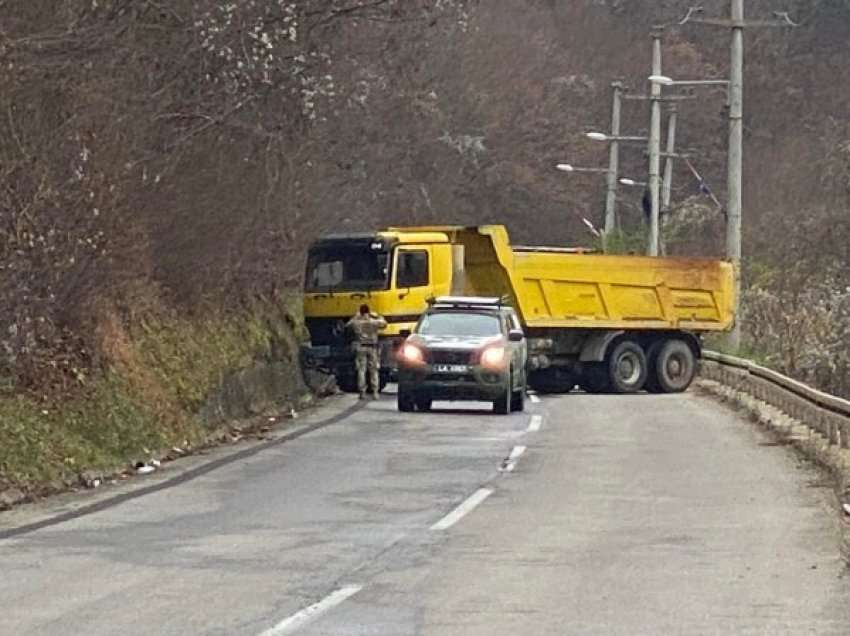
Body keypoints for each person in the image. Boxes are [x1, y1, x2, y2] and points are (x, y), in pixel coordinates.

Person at [346, 304, 387, 399]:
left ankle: (362, 392)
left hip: (361, 347)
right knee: (374, 371)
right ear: (368, 312)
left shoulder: (356, 322)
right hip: (372, 347)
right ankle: (375, 392)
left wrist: (356, 316)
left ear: (360, 312)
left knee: (361, 370)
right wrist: (377, 315)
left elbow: (347, 325)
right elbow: (384, 323)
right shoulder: (374, 322)